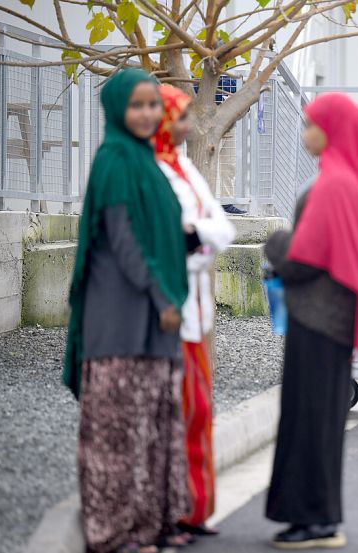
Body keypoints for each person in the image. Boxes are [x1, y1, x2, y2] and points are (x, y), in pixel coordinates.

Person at [63, 68, 191, 553]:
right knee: (117, 438)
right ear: (118, 108)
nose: (146, 114)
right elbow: (124, 240)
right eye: (137, 105)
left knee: (153, 431)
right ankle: (113, 534)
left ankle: (149, 526)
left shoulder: (146, 161)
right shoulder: (115, 160)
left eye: (152, 105)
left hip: (157, 319)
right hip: (121, 319)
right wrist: (163, 298)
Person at [263, 92, 358, 549]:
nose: (305, 132)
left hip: (317, 319)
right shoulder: (347, 179)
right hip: (332, 319)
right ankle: (317, 516)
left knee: (311, 418)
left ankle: (315, 520)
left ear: (331, 130)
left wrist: (274, 242)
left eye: (311, 124)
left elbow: (300, 259)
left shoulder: (333, 183)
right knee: (319, 418)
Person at [153, 84, 237, 537]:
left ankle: (194, 507)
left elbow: (222, 228)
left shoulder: (183, 166)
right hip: (171, 309)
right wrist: (196, 236)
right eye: (180, 116)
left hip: (197, 308)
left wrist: (195, 233)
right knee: (176, 412)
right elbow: (170, 237)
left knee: (199, 409)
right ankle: (173, 510)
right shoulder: (152, 172)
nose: (188, 125)